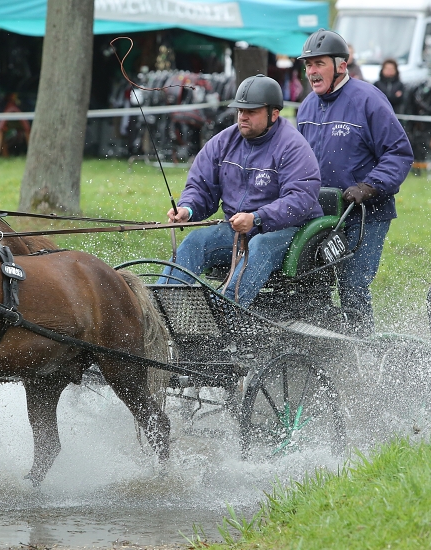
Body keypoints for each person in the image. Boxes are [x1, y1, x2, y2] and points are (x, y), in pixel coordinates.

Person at [160, 74, 322, 307]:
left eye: (251, 111)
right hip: (238, 229)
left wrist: (257, 218)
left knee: (259, 246)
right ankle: (163, 309)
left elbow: (300, 199)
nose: (243, 117)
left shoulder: (293, 146)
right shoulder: (223, 142)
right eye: (240, 111)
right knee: (197, 240)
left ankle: (223, 314)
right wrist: (187, 209)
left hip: (288, 231)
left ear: (273, 114)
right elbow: (200, 186)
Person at [296, 29, 413, 335]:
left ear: (341, 66)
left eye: (318, 63)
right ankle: (324, 352)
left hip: (365, 214)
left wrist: (370, 186)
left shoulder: (369, 100)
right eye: (307, 65)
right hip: (318, 216)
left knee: (353, 285)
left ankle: (363, 357)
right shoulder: (307, 106)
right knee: (311, 286)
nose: (311, 71)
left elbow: (399, 153)